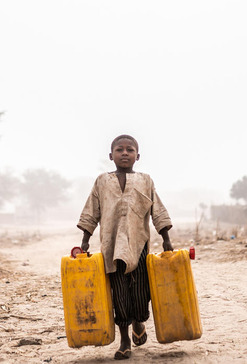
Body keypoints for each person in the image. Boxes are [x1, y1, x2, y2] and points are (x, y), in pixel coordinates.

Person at [77, 134, 174, 360]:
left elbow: (157, 210)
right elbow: (92, 210)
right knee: (119, 294)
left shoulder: (145, 180)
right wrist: (84, 239)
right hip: (112, 248)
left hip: (138, 244)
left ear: (137, 156)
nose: (124, 153)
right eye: (119, 150)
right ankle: (124, 339)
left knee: (141, 291)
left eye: (129, 150)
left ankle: (139, 322)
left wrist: (165, 237)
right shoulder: (102, 181)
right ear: (110, 156)